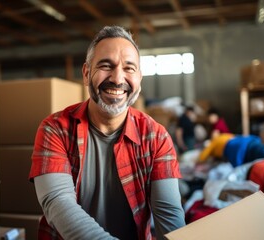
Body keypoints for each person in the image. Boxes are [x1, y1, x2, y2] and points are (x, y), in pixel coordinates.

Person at [29, 26, 185, 240]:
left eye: (129, 68)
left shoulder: (156, 137)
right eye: (105, 65)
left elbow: (170, 219)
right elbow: (57, 202)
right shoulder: (55, 129)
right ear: (86, 73)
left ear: (139, 78)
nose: (117, 78)